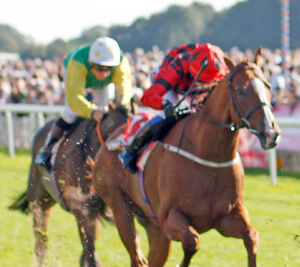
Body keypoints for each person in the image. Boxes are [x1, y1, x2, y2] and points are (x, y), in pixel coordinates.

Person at [119, 43, 228, 173]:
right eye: (203, 81)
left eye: (210, 82)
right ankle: (131, 151)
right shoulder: (177, 67)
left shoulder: (222, 69)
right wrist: (164, 104)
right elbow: (147, 97)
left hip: (190, 83)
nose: (205, 86)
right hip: (171, 81)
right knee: (168, 116)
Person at [35, 36, 132, 170]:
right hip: (77, 73)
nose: (103, 74)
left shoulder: (121, 64)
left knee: (108, 110)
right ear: (91, 63)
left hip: (103, 85)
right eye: (99, 68)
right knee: (70, 112)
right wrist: (92, 112)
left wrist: (121, 105)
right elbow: (74, 97)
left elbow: (125, 90)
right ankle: (46, 149)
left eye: (108, 69)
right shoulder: (77, 62)